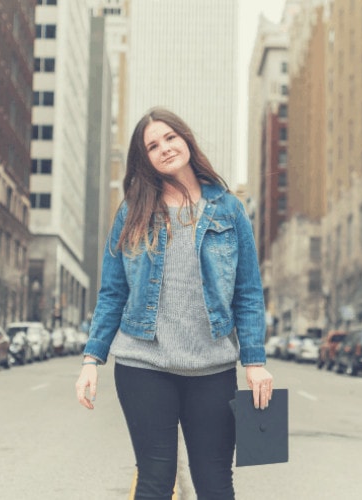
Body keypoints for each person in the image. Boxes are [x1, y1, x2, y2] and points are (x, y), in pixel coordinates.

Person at [75, 107, 273, 499]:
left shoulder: (230, 210)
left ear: (185, 139)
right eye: (152, 145)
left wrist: (255, 362)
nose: (164, 148)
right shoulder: (133, 211)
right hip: (144, 364)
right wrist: (90, 360)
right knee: (155, 479)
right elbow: (113, 292)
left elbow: (248, 292)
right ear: (144, 159)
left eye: (169, 138)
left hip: (212, 369)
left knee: (215, 482)